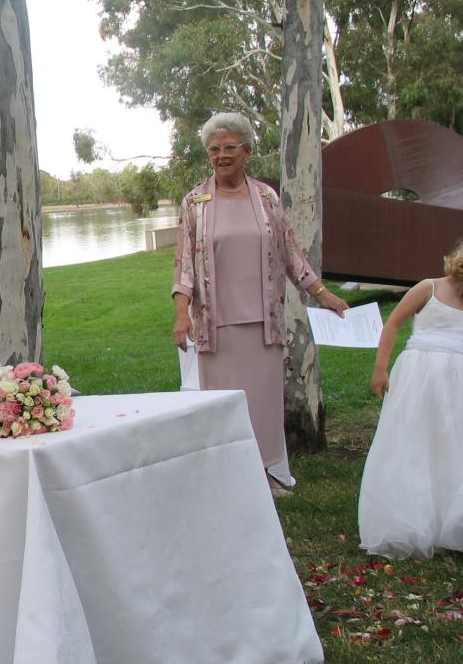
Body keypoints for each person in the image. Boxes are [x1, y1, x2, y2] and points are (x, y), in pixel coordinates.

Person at [172, 111, 348, 496]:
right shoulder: (194, 202)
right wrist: (181, 313)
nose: (221, 155)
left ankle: (264, 474)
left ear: (247, 151)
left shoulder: (267, 198)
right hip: (217, 326)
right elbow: (184, 264)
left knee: (263, 404)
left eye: (229, 147)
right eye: (214, 149)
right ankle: (230, 478)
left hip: (263, 323)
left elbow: (291, 253)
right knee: (226, 405)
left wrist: (323, 294)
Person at [358, 239, 463, 558]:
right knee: (414, 440)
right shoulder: (428, 288)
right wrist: (380, 368)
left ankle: (452, 519)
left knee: (452, 444)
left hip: (457, 380)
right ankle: (409, 518)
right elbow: (393, 323)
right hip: (420, 374)